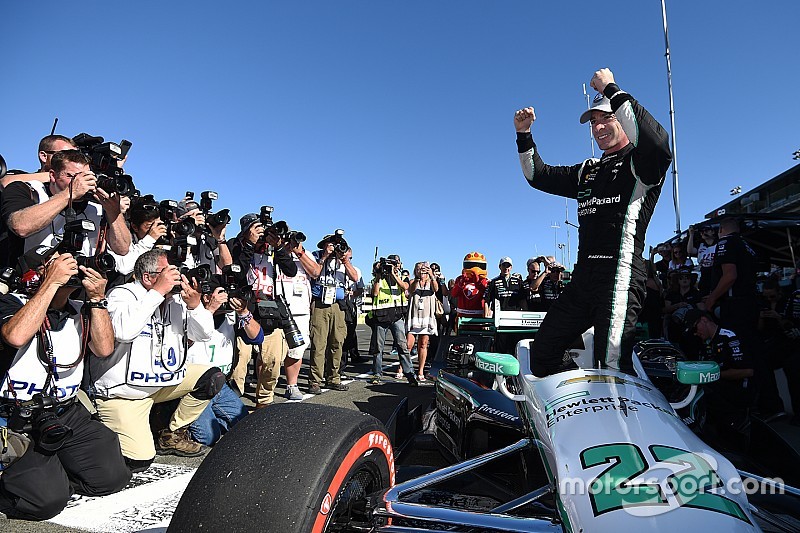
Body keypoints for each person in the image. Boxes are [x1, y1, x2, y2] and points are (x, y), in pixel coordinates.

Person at [514, 68, 672, 376]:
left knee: (610, 363)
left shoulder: (642, 164)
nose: (598, 126)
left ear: (625, 119)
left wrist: (611, 88)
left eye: (606, 118)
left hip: (620, 273)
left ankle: (618, 415)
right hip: (583, 276)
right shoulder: (587, 171)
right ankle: (579, 405)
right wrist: (523, 135)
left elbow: (659, 142)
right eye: (594, 122)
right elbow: (537, 175)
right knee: (543, 351)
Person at [0, 247, 130, 520]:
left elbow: (104, 349)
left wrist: (97, 299)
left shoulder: (83, 310)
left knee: (112, 478)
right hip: (15, 418)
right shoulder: (11, 303)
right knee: (46, 503)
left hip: (64, 410)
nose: (72, 269)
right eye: (61, 263)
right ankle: (26, 482)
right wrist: (51, 284)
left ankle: (47, 474)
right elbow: (16, 336)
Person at [90, 249, 223, 468]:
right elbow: (124, 331)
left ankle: (169, 432)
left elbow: (204, 335)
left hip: (159, 387)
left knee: (212, 377)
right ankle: (98, 425)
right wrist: (157, 293)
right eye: (168, 272)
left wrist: (195, 306)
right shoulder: (122, 294)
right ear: (148, 277)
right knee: (138, 461)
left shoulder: (175, 301)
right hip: (124, 396)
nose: (176, 276)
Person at [0, 150, 131, 270]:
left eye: (86, 177)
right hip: (30, 282)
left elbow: (122, 248)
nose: (82, 183)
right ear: (52, 175)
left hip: (81, 287)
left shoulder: (96, 205)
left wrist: (114, 212)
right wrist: (69, 194)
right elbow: (21, 226)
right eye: (73, 176)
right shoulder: (28, 190)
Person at [228, 213, 298, 406]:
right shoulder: (237, 246)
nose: (262, 235)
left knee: (273, 361)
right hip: (244, 310)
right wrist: (250, 245)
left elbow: (291, 270)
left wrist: (278, 246)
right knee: (239, 362)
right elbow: (238, 273)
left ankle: (264, 403)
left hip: (270, 312)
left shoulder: (272, 251)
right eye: (257, 230)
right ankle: (233, 406)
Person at [184, 280, 261, 445]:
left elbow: (257, 337)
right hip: (194, 388)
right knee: (208, 437)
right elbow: (184, 344)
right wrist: (210, 310)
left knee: (245, 425)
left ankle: (208, 420)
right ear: (206, 297)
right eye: (221, 295)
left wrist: (243, 311)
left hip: (220, 385)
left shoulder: (230, 316)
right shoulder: (191, 313)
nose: (227, 300)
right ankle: (178, 423)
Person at [684, 309, 754, 451]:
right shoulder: (705, 343)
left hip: (738, 392)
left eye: (695, 328)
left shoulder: (729, 337)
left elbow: (748, 371)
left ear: (704, 320)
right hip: (720, 392)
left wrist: (713, 374)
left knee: (706, 391)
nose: (696, 333)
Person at [307, 232, 359, 394]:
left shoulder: (343, 262)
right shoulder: (316, 256)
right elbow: (314, 272)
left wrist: (345, 260)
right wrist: (325, 256)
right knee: (319, 343)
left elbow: (355, 277)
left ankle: (334, 377)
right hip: (320, 303)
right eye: (332, 245)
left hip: (338, 304)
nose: (335, 248)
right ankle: (315, 381)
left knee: (337, 342)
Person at [368, 256, 419, 386]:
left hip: (396, 317)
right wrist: (379, 275)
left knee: (403, 346)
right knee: (378, 348)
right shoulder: (379, 279)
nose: (393, 266)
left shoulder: (402, 277)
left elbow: (405, 287)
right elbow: (374, 293)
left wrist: (393, 274)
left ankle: (410, 375)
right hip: (381, 317)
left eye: (395, 264)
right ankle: (376, 373)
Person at [407, 261, 439, 381]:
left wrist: (432, 276)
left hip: (426, 316)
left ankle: (420, 370)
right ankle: (403, 368)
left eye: (424, 269)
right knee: (408, 344)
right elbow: (411, 290)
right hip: (414, 315)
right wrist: (417, 279)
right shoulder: (412, 281)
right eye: (419, 269)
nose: (422, 271)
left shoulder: (431, 282)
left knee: (423, 344)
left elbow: (436, 289)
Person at [450, 252, 489, 329]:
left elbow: (486, 295)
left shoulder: (485, 281)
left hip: (478, 317)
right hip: (462, 316)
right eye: (470, 265)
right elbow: (454, 294)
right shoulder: (460, 279)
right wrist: (461, 283)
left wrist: (478, 283)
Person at [687, 223, 718, 297]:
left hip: (716, 272)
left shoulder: (719, 244)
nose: (704, 232)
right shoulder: (701, 245)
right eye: (701, 232)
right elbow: (690, 250)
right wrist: (691, 234)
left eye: (706, 230)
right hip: (704, 275)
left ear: (713, 231)